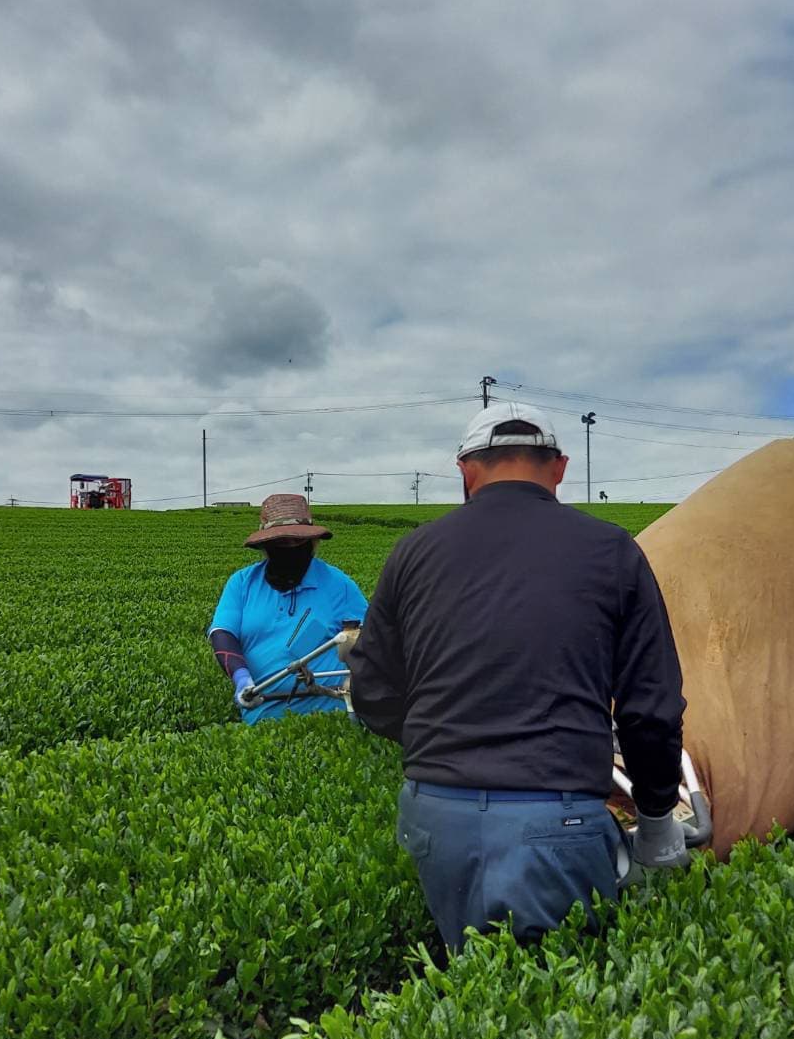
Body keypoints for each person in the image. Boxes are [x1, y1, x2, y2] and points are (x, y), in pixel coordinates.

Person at [346, 401, 691, 951]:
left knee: (469, 1002)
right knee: (551, 1008)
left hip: (435, 818)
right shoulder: (612, 551)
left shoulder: (412, 553)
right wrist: (655, 822)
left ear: (466, 470)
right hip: (559, 823)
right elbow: (650, 708)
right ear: (558, 467)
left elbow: (371, 693)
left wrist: (440, 742)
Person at [208, 494, 368, 724]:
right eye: (280, 544)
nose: (289, 549)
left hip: (330, 717)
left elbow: (369, 639)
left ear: (312, 544)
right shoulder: (242, 583)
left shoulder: (338, 584)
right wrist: (242, 679)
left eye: (297, 542)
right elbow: (222, 634)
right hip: (263, 716)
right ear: (265, 547)